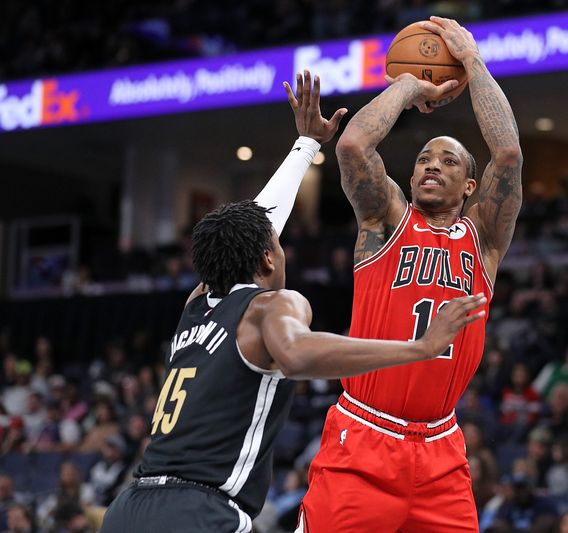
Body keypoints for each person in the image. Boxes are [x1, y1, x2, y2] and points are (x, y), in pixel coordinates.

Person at [98, 73, 486, 533]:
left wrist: (305, 146)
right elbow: (298, 354)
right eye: (277, 247)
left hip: (131, 505)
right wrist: (417, 349)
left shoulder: (199, 302)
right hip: (199, 509)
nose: (281, 249)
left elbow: (246, 229)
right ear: (266, 258)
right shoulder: (269, 307)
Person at [297, 15, 523, 532]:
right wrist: (407, 84)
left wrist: (471, 59)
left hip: (442, 450)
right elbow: (353, 147)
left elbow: (507, 154)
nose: (430, 166)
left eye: (447, 161)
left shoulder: (484, 239)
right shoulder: (386, 220)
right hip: (364, 437)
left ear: (470, 186)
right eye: (423, 158)